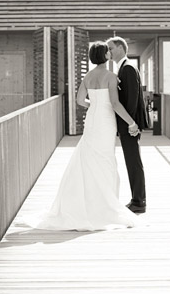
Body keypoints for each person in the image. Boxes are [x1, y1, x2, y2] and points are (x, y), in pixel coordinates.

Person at [29, 41, 139, 231]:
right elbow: (115, 104)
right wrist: (132, 122)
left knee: (88, 157)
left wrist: (94, 105)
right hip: (105, 121)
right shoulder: (111, 77)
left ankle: (87, 201)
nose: (109, 54)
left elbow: (80, 100)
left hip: (93, 120)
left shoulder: (87, 77)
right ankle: (104, 202)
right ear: (105, 56)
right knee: (105, 158)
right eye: (108, 52)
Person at [107, 37, 149, 214]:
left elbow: (131, 101)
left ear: (120, 49)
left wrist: (131, 125)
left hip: (130, 126)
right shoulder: (124, 68)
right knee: (132, 161)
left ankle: (138, 202)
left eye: (110, 48)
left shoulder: (128, 69)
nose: (108, 51)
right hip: (128, 124)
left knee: (133, 163)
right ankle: (137, 199)